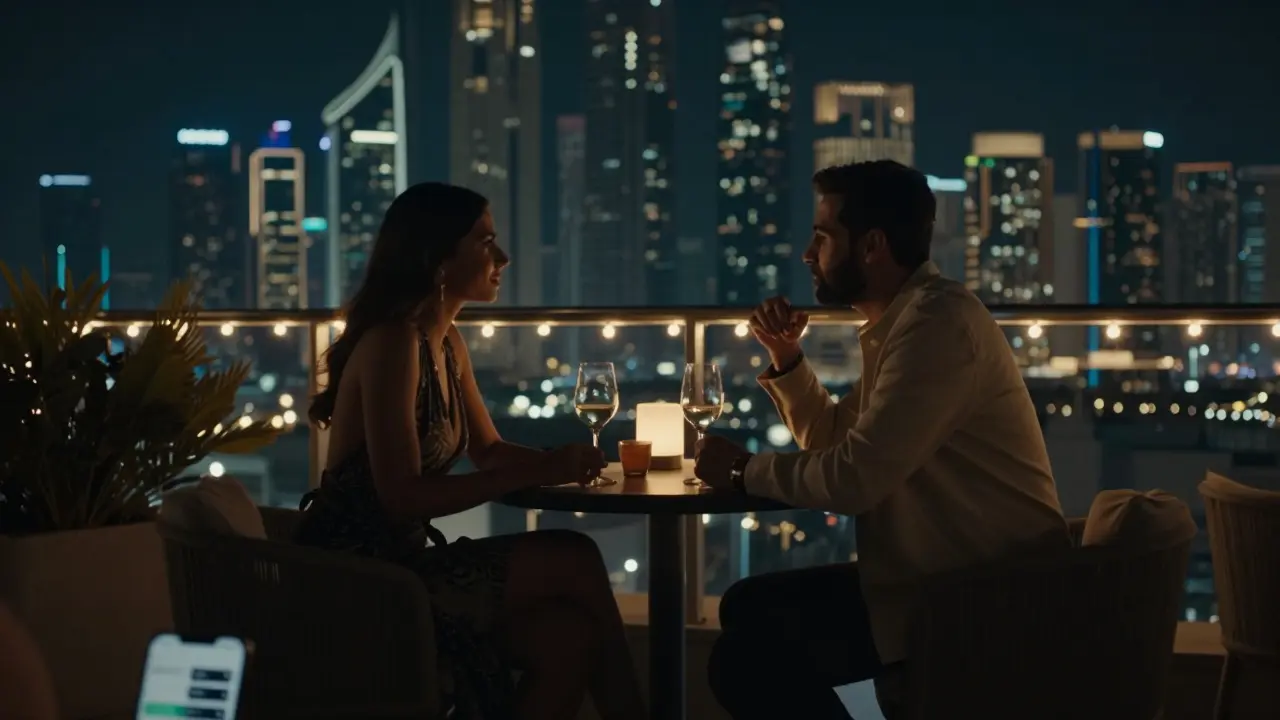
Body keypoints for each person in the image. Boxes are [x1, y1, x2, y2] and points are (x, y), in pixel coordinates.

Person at [695, 161, 1069, 719]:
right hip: (942, 581)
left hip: (982, 600)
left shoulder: (937, 327)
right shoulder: (906, 324)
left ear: (871, 246)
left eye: (822, 237)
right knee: (748, 610)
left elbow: (854, 479)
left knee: (745, 659)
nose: (807, 253)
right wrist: (788, 359)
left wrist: (741, 471)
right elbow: (835, 442)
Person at [296, 182, 645, 720]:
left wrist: (566, 463)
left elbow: (488, 451)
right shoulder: (393, 343)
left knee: (569, 637)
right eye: (485, 243)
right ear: (438, 258)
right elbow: (400, 497)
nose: (501, 258)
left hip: (404, 567)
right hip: (360, 581)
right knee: (575, 558)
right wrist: (547, 467)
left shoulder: (445, 341)